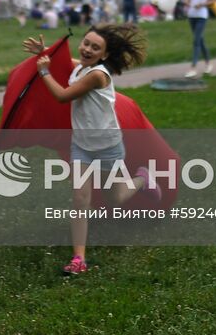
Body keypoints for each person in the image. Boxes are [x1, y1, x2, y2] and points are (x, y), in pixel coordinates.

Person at [23, 24, 158, 276]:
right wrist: (44, 52)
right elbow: (65, 62)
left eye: (95, 47)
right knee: (80, 199)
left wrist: (44, 72)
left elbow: (63, 96)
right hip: (82, 146)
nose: (87, 49)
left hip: (108, 147)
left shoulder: (97, 75)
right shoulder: (82, 67)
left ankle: (142, 179)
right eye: (86, 43)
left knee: (115, 199)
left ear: (104, 55)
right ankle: (79, 259)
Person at [183, 0, 214, 78]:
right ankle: (208, 63)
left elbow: (212, 0)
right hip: (192, 15)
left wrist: (202, 4)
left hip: (202, 15)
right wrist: (187, 2)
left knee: (196, 41)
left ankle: (193, 68)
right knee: (200, 40)